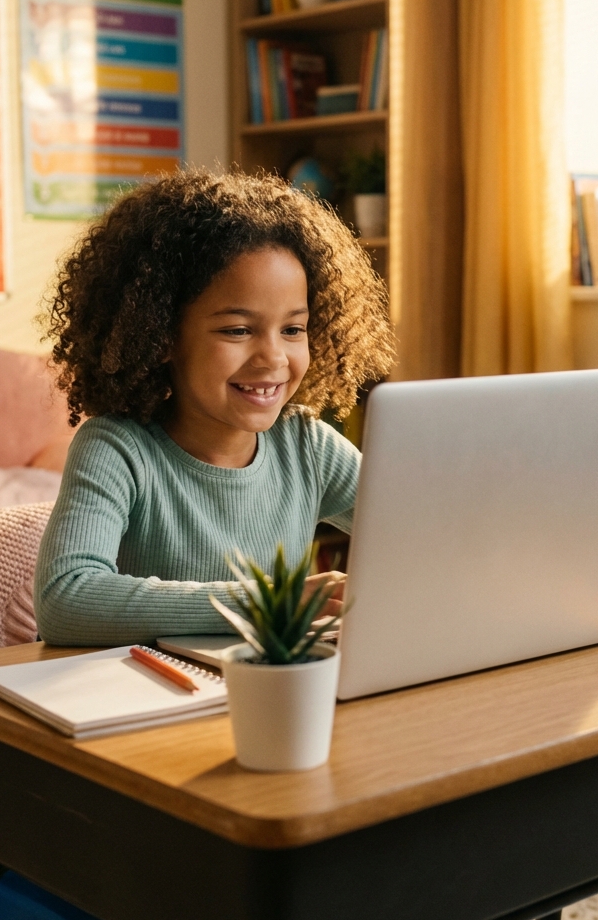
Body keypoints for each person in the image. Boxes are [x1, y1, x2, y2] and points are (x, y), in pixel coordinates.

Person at [33, 168, 395, 645]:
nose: (273, 358)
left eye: (293, 329)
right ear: (161, 336)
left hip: (264, 688)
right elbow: (65, 600)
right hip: (150, 696)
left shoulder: (306, 446)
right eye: (237, 330)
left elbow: (418, 531)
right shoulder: (117, 449)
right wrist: (267, 602)